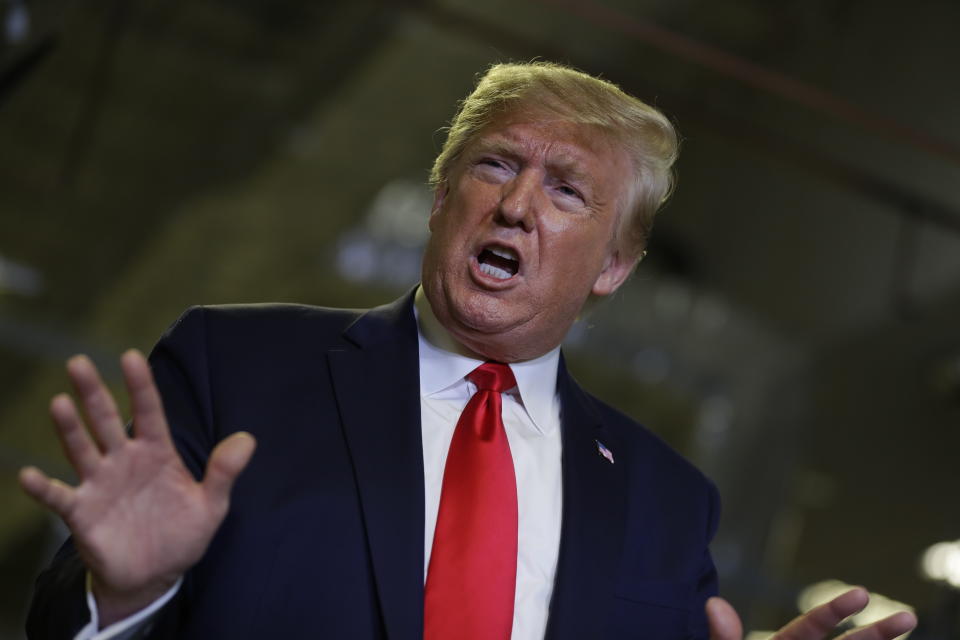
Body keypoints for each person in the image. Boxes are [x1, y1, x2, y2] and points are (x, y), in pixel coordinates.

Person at [20, 62, 916, 640]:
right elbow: (64, 620)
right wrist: (128, 598)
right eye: (495, 166)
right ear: (442, 196)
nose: (518, 205)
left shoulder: (668, 502)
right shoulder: (236, 366)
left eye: (566, 190)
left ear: (614, 265)